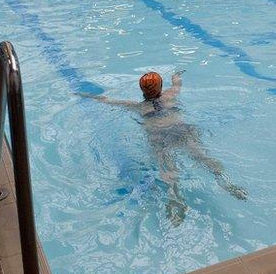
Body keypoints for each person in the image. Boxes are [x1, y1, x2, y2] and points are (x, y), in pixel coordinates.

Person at [84, 70, 247, 225]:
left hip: (159, 138)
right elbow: (177, 84)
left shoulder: (137, 106)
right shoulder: (170, 95)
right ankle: (226, 183)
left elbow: (107, 101)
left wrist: (87, 95)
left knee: (168, 171)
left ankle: (175, 200)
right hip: (182, 131)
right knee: (203, 158)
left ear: (142, 90)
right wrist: (176, 75)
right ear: (161, 87)